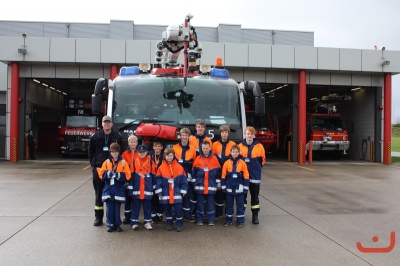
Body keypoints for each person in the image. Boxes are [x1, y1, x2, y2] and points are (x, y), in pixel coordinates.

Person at [89, 115, 124, 226]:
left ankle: (113, 219)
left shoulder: (117, 136)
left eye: (109, 122)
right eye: (105, 122)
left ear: (112, 124)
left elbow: (121, 151)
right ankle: (98, 218)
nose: (107, 124)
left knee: (112, 193)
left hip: (113, 171)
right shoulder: (95, 136)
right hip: (99, 169)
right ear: (102, 124)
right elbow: (90, 152)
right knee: (99, 193)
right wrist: (94, 165)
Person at [97, 143, 131, 232]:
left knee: (117, 208)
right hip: (109, 188)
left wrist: (118, 175)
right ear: (110, 152)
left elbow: (128, 175)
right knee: (109, 208)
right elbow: (101, 174)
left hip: (118, 188)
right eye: (112, 152)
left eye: (116, 152)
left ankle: (117, 225)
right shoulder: (106, 162)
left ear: (118, 152)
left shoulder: (123, 162)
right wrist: (108, 174)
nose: (114, 153)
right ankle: (110, 225)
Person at [155, 148, 188, 232]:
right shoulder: (161, 168)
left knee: (178, 209)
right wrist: (159, 191)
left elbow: (184, 180)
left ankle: (179, 224)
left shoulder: (179, 167)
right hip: (166, 193)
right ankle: (169, 224)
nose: (169, 157)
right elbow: (158, 180)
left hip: (176, 192)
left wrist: (184, 190)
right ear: (164, 156)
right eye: (167, 156)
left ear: (174, 156)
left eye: (170, 156)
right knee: (167, 209)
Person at [238, 126, 266, 224]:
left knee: (255, 198)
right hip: (243, 177)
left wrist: (256, 170)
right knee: (242, 197)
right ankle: (241, 215)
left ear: (254, 135)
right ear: (245, 135)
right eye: (247, 133)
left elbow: (263, 160)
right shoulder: (240, 146)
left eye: (251, 134)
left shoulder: (260, 146)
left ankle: (255, 216)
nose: (249, 135)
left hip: (255, 177)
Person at [192, 140, 221, 226]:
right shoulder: (198, 159)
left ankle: (211, 219)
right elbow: (194, 173)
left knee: (210, 203)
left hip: (211, 185)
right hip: (200, 186)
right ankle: (200, 219)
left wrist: (218, 184)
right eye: (203, 148)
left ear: (210, 148)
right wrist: (194, 184)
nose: (205, 150)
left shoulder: (214, 159)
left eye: (206, 148)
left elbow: (218, 173)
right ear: (201, 148)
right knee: (200, 203)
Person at [129, 144, 156, 230]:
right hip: (137, 190)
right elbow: (131, 177)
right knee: (135, 207)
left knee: (148, 207)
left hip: (147, 190)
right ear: (137, 152)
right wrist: (130, 189)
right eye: (140, 152)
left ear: (147, 152)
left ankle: (147, 222)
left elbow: (154, 176)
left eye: (143, 152)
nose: (142, 153)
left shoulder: (151, 162)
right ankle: (134, 222)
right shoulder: (134, 162)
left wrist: (154, 188)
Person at [221, 145, 249, 228]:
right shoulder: (226, 163)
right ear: (231, 152)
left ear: (239, 152)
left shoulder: (242, 163)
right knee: (229, 205)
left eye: (236, 152)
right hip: (229, 189)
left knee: (240, 206)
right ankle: (228, 220)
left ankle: (240, 221)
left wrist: (245, 187)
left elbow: (246, 176)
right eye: (233, 152)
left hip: (239, 189)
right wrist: (223, 186)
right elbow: (223, 175)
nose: (235, 153)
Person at [173, 127, 197, 222]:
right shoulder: (175, 148)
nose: (184, 137)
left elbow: (195, 164)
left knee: (187, 195)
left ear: (189, 136)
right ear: (180, 136)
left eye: (186, 135)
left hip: (188, 174)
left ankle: (187, 215)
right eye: (183, 135)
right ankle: (175, 215)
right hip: (176, 174)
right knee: (176, 194)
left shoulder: (193, 149)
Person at [212, 124, 236, 219]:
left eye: (226, 132)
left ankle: (228, 212)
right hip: (218, 172)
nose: (224, 134)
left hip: (229, 173)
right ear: (220, 133)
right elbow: (213, 158)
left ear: (228, 133)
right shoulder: (215, 145)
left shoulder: (233, 144)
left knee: (229, 194)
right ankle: (218, 213)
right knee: (219, 194)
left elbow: (235, 158)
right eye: (222, 132)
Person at [121, 134, 139, 224]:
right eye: (131, 142)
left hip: (136, 177)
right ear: (128, 143)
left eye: (134, 142)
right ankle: (126, 217)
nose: (133, 144)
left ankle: (134, 217)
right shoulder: (124, 154)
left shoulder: (139, 152)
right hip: (128, 177)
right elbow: (123, 166)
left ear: (137, 143)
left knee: (135, 198)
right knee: (127, 198)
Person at [149, 140, 164, 223]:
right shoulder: (149, 155)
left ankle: (160, 214)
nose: (157, 148)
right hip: (152, 178)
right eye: (155, 146)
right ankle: (153, 215)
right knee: (152, 198)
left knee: (160, 198)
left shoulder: (164, 156)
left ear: (161, 147)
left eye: (159, 146)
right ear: (153, 147)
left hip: (161, 178)